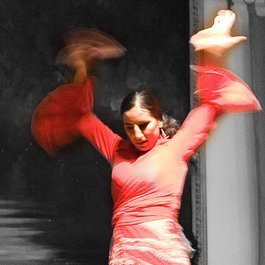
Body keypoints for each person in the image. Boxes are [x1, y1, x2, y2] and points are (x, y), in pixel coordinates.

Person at [31, 10, 261, 265]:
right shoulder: (118, 149)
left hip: (163, 251)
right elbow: (80, 116)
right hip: (125, 253)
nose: (137, 134)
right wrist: (84, 66)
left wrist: (211, 50)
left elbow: (210, 105)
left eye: (143, 125)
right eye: (129, 127)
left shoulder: (176, 147)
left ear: (159, 121)